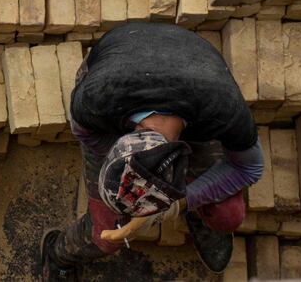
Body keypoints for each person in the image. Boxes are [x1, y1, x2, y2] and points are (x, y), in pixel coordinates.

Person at [40, 22, 264, 280]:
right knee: (106, 233)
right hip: (121, 66)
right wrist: (122, 183)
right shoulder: (94, 102)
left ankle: (196, 211)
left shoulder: (222, 111)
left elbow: (250, 167)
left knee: (229, 215)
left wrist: (179, 204)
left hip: (195, 67)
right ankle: (58, 255)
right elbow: (85, 134)